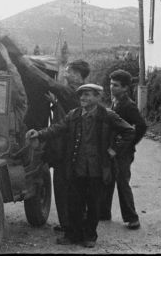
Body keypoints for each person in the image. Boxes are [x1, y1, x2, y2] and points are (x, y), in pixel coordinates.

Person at [26, 84, 135, 248]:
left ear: (98, 97)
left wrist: (114, 150)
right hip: (77, 167)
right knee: (74, 203)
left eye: (88, 95)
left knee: (93, 204)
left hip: (98, 169)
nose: (83, 98)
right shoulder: (74, 115)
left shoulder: (108, 115)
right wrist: (40, 134)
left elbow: (129, 131)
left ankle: (90, 236)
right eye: (82, 95)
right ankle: (73, 235)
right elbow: (57, 128)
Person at [18, 57, 91, 233]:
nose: (67, 73)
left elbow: (49, 82)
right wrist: (56, 103)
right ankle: (69, 223)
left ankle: (71, 226)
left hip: (68, 147)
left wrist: (24, 63)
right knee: (66, 186)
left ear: (80, 77)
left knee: (65, 186)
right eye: (67, 70)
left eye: (72, 72)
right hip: (69, 146)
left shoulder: (73, 92)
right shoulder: (77, 93)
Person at [100, 69, 147, 229]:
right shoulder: (116, 101)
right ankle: (104, 213)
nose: (112, 87)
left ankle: (132, 219)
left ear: (126, 88)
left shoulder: (129, 105)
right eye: (111, 84)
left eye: (116, 85)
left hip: (123, 153)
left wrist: (130, 144)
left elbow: (141, 126)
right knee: (107, 180)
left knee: (122, 183)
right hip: (113, 149)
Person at [0, 42, 28, 136]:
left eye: (4, 75)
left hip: (11, 137)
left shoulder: (18, 103)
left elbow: (17, 88)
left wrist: (8, 60)